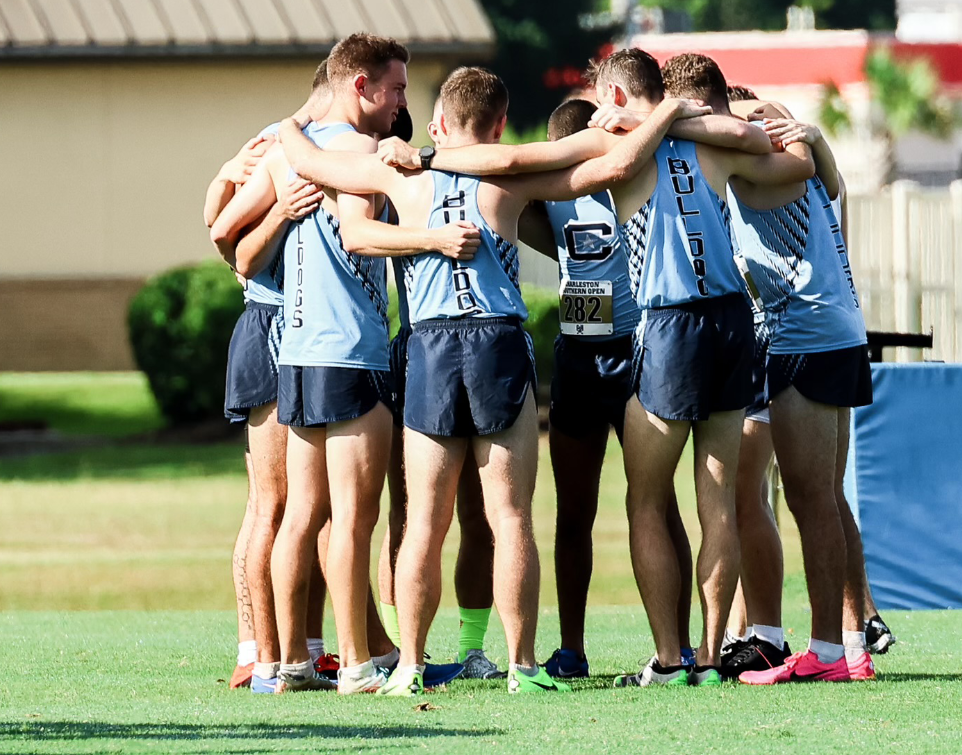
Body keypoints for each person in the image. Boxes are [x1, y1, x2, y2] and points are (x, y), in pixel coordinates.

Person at [280, 67, 697, 694]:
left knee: (423, 518)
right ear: (499, 125)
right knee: (510, 517)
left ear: (440, 123)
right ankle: (522, 667)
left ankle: (413, 667)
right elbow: (608, 168)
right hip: (496, 342)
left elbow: (313, 166)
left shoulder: (399, 175)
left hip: (430, 344)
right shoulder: (510, 177)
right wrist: (662, 114)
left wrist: (291, 123)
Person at [233, 34, 454, 693]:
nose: (401, 104)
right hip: (348, 352)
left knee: (301, 515)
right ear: (359, 84)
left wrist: (290, 128)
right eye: (396, 89)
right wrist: (432, 236)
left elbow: (234, 246)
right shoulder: (360, 155)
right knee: (355, 520)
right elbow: (361, 231)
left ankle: (282, 663)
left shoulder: (284, 150)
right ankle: (358, 663)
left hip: (295, 352)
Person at [658, 53, 878, 684]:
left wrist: (672, 122)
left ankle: (827, 652)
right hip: (833, 331)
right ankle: (852, 646)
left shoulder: (757, 152)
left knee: (810, 501)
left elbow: (803, 162)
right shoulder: (772, 131)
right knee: (825, 499)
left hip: (806, 337)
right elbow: (822, 174)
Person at [516, 99, 693, 681]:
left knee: (621, 508)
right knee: (646, 506)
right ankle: (675, 646)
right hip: (602, 351)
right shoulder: (593, 181)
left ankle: (579, 649)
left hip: (622, 353)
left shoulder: (618, 179)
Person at [205, 64, 332, 691]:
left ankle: (304, 646)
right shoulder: (283, 143)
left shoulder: (323, 145)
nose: (397, 107)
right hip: (273, 327)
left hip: (307, 333)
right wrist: (271, 211)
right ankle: (256, 651)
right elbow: (220, 225)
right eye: (393, 92)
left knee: (312, 508)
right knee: (274, 504)